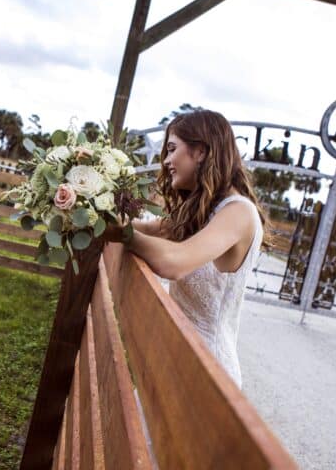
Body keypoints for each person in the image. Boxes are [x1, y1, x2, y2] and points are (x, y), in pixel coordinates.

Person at [108, 109, 267, 389]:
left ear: (201, 152)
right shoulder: (202, 212)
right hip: (174, 356)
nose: (166, 161)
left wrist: (122, 234)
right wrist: (98, 214)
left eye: (171, 149)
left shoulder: (239, 212)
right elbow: (150, 228)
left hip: (206, 373)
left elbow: (174, 262)